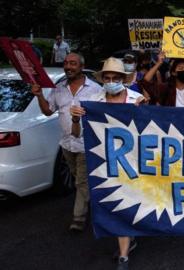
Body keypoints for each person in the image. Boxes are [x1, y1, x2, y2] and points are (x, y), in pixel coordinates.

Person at [70, 57, 145, 270]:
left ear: (124, 79)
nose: (111, 81)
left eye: (116, 78)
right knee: (116, 204)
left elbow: (151, 131)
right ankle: (125, 248)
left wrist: (145, 112)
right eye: (108, 78)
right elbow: (76, 136)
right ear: (103, 79)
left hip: (133, 163)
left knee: (130, 202)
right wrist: (76, 119)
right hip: (104, 164)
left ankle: (126, 248)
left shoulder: (136, 99)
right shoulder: (93, 102)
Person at [31, 53, 102, 231]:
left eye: (73, 63)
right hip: (66, 145)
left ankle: (78, 219)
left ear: (81, 66)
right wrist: (39, 95)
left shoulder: (95, 89)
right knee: (79, 178)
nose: (68, 67)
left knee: (81, 182)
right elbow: (48, 111)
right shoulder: (59, 88)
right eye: (66, 63)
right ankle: (95, 200)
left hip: (87, 144)